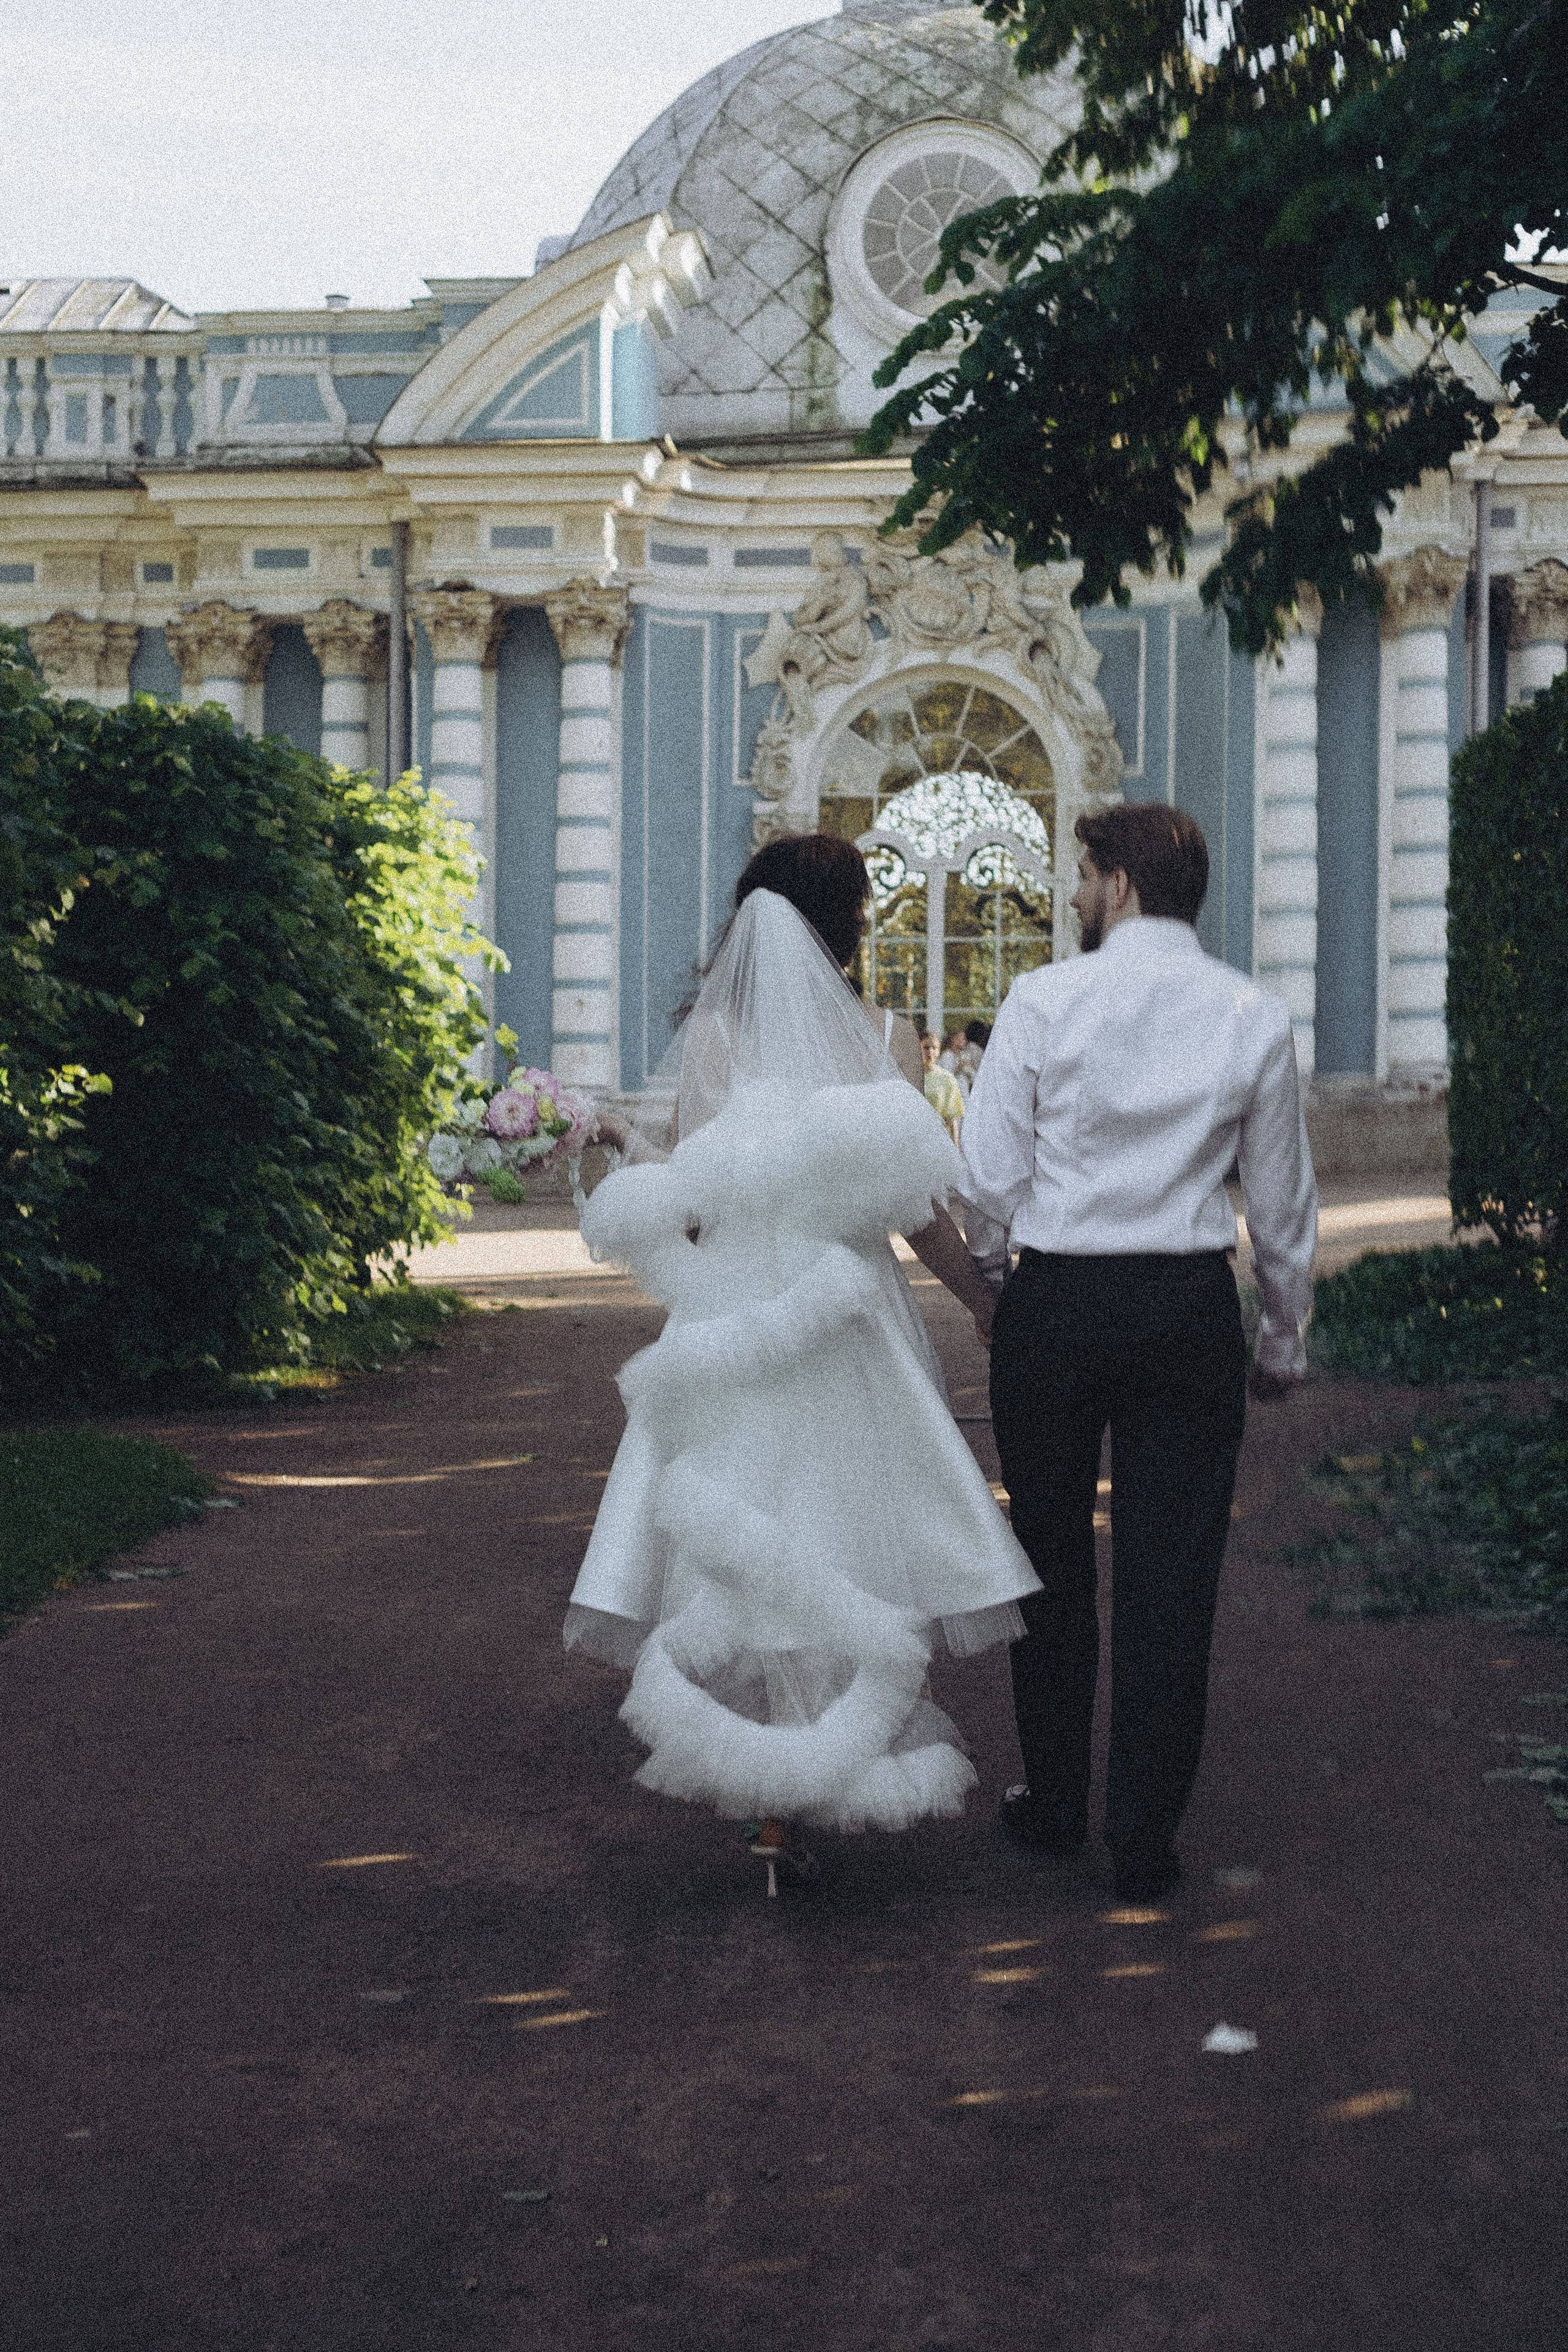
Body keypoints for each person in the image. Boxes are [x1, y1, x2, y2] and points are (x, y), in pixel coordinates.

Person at [567, 834, 1038, 1894]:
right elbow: (917, 1210)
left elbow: (693, 1196)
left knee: (756, 1528)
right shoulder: (886, 1035)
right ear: (849, 920)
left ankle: (774, 1797)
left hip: (737, 1318)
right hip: (844, 1316)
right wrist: (979, 1299)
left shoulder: (716, 1038)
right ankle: (827, 1755)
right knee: (850, 1527)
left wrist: (621, 1156)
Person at [959, 802, 1317, 1903]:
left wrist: (999, 1280)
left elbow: (984, 1179)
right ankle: (1144, 1838)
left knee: (1051, 1562)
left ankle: (1057, 1807)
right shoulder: (1252, 1013)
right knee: (1173, 1576)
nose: (1071, 896)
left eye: (1080, 877)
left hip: (1058, 1301)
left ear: (1117, 884)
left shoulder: (1042, 998)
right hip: (1183, 1308)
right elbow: (1283, 1205)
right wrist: (1281, 1341)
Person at [921, 1030, 967, 1140]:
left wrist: (955, 1148)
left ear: (939, 1051)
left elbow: (952, 1118)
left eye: (934, 1048)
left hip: (938, 1138)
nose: (930, 1052)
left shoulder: (947, 1078)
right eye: (926, 1047)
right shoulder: (908, 1076)